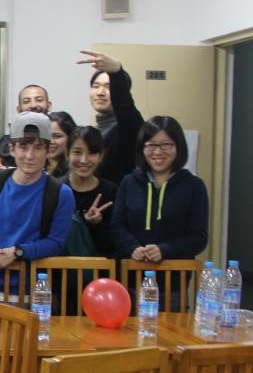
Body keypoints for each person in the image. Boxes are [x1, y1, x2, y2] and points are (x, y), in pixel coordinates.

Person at [0, 112, 75, 300]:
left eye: (38, 147)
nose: (30, 156)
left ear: (48, 150)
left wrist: (17, 252)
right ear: (12, 149)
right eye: (23, 147)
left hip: (31, 291)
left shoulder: (60, 193)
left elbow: (56, 242)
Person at [112, 116, 209, 269]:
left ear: (178, 147)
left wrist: (164, 250)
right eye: (150, 145)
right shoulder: (129, 183)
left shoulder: (194, 186)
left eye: (166, 145)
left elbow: (198, 238)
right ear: (142, 147)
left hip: (175, 276)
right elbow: (117, 227)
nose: (157, 151)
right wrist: (132, 248)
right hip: (132, 272)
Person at [79, 50, 143, 184]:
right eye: (96, 86)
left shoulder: (128, 128)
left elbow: (125, 108)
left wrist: (117, 72)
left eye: (108, 87)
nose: (100, 92)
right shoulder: (92, 131)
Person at [63, 126, 118, 257]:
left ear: (101, 156)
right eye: (77, 152)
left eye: (92, 153)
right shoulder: (55, 189)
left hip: (100, 267)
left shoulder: (111, 192)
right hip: (59, 267)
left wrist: (97, 224)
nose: (84, 160)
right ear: (66, 153)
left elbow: (115, 243)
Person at [0, 84, 52, 164]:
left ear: (49, 106)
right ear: (19, 109)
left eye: (39, 100)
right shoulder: (3, 146)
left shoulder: (59, 140)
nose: (33, 105)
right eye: (26, 101)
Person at [47, 111, 76, 179]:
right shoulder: (36, 166)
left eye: (57, 136)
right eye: (47, 136)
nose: (51, 141)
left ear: (70, 137)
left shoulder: (74, 171)